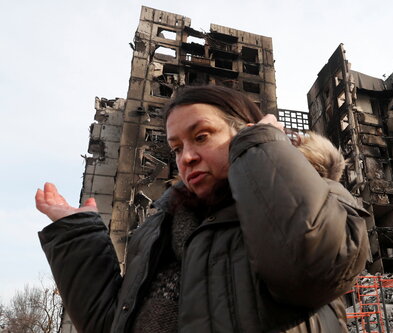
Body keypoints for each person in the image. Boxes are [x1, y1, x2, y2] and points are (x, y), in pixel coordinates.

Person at [35, 85, 369, 332]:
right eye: (176, 147)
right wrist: (78, 236)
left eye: (202, 136)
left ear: (247, 132)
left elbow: (314, 269)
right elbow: (111, 325)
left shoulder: (318, 193)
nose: (186, 157)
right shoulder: (161, 228)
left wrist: (259, 148)